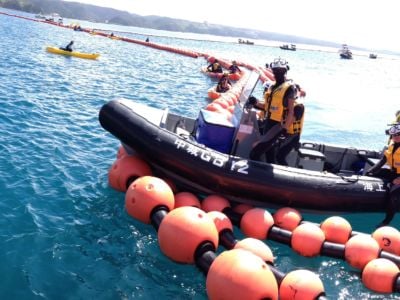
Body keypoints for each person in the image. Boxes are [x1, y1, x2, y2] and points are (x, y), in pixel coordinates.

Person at [248, 58, 297, 162]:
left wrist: (284, 129)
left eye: (280, 70)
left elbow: (291, 112)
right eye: (275, 70)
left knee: (255, 153)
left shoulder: (289, 88)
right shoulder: (272, 87)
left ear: (285, 71)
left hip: (278, 126)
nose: (277, 73)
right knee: (269, 154)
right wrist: (255, 102)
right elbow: (267, 107)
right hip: (268, 123)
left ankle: (258, 176)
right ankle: (265, 175)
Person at [365, 123, 400, 227]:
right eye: (394, 135)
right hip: (393, 173)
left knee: (394, 196)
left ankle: (386, 221)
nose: (396, 137)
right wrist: (369, 172)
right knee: (373, 173)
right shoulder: (391, 146)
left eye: (398, 134)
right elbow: (382, 162)